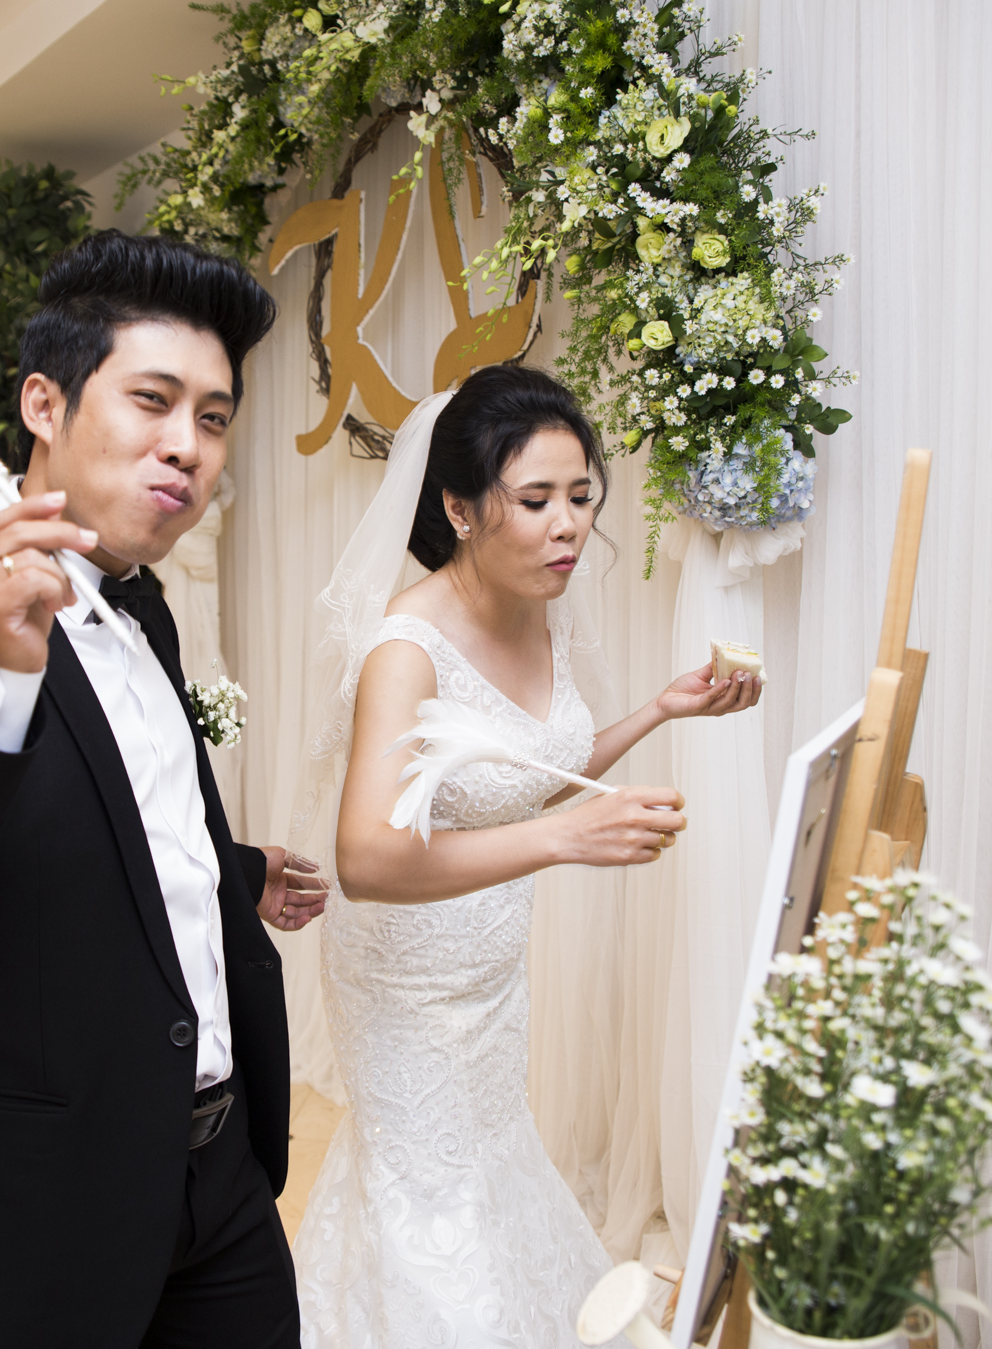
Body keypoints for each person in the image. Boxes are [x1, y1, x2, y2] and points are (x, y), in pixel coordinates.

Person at [0, 230, 325, 1349]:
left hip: (220, 1187)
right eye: (152, 400)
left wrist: (235, 871)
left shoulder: (147, 608)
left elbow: (104, 824)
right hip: (24, 1218)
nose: (187, 446)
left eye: (214, 417)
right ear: (44, 402)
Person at [288, 366, 762, 1348]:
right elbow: (367, 856)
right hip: (406, 971)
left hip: (490, 955)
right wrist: (565, 840)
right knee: (428, 1187)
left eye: (582, 496)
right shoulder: (405, 649)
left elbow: (519, 777)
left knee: (490, 1157)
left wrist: (660, 709)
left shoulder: (537, 601)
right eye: (536, 499)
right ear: (460, 509)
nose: (568, 527)